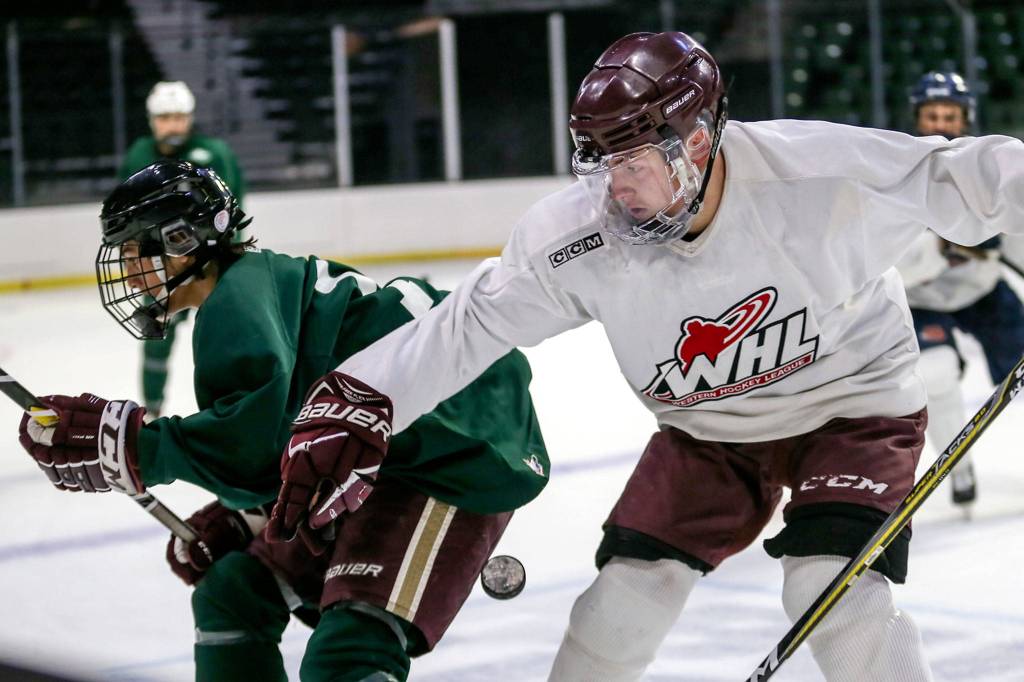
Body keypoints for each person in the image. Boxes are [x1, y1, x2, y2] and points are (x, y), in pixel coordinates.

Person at [271, 32, 1024, 681]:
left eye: (632, 163)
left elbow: (972, 175)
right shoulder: (579, 236)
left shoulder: (818, 176)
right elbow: (467, 325)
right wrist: (361, 395)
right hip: (708, 434)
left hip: (855, 408)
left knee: (832, 591)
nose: (613, 188)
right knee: (616, 609)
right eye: (597, 164)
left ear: (697, 143)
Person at [17, 160, 548, 682]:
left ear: (183, 239)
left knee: (349, 652)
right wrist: (240, 517)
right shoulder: (253, 287)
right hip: (372, 450)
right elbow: (282, 442)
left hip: (452, 448)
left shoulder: (237, 299)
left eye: (137, 253)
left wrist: (139, 447)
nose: (130, 272)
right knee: (233, 591)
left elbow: (255, 446)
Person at [895, 70, 1024, 511]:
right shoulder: (894, 173)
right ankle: (958, 463)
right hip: (922, 300)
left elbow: (1016, 232)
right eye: (932, 115)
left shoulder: (985, 165)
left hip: (985, 291)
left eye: (950, 115)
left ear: (965, 118)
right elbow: (886, 265)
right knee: (937, 375)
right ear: (917, 117)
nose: (941, 124)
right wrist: (943, 247)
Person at [121, 80, 246, 418]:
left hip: (209, 266)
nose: (172, 125)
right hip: (161, 267)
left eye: (178, 117)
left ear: (190, 118)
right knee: (155, 340)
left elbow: (233, 211)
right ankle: (151, 412)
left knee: (223, 341)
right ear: (152, 120)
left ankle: (234, 410)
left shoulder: (213, 152)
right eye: (164, 117)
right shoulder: (139, 153)